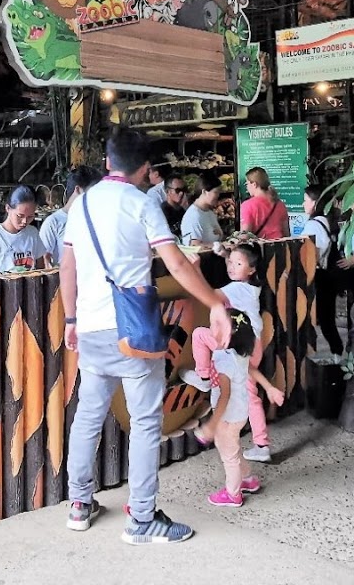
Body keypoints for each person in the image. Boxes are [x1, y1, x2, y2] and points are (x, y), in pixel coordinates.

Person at [61, 126, 233, 544]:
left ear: (107, 162)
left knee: (88, 415)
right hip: (133, 331)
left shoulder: (81, 204)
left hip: (91, 328)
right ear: (144, 168)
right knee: (144, 423)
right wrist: (214, 302)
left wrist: (70, 320)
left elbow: (68, 265)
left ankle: (79, 504)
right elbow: (176, 263)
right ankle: (140, 518)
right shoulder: (141, 204)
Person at [180, 244, 276, 462]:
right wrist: (226, 254)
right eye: (230, 262)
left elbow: (209, 295)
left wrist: (196, 268)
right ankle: (262, 444)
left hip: (236, 345)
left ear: (251, 269)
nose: (231, 267)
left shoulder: (237, 289)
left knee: (200, 335)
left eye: (238, 264)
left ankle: (204, 376)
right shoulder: (251, 286)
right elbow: (236, 265)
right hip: (252, 345)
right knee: (251, 394)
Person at [191, 313, 282, 505]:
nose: (211, 328)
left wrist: (211, 425)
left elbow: (224, 396)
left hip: (227, 416)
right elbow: (251, 369)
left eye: (216, 326)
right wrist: (269, 387)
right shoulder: (237, 353)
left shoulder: (224, 361)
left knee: (229, 455)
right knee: (232, 448)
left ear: (227, 335)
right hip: (239, 412)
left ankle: (233, 494)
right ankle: (247, 479)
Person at [301, 183, 343, 355]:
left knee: (322, 320)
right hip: (330, 276)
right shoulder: (328, 221)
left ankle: (334, 355)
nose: (303, 204)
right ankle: (337, 355)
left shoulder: (313, 226)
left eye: (305, 200)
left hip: (318, 277)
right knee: (328, 318)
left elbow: (313, 256)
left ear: (315, 203)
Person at [37, 166, 101, 267]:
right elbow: (44, 260)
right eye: (93, 192)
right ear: (78, 190)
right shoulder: (53, 222)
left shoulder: (96, 219)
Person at [0, 186, 45, 273]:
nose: (24, 221)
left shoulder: (32, 233)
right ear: (8, 208)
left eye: (30, 216)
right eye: (20, 216)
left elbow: (40, 268)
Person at [240, 167, 290, 240]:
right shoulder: (279, 204)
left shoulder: (247, 205)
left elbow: (245, 236)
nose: (247, 188)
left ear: (254, 184)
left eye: (247, 184)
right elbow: (286, 234)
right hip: (279, 245)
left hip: (259, 246)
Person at [180, 171, 225, 250]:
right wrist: (216, 245)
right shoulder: (193, 216)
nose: (218, 195)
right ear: (204, 192)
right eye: (216, 192)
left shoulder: (210, 213)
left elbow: (218, 235)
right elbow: (194, 245)